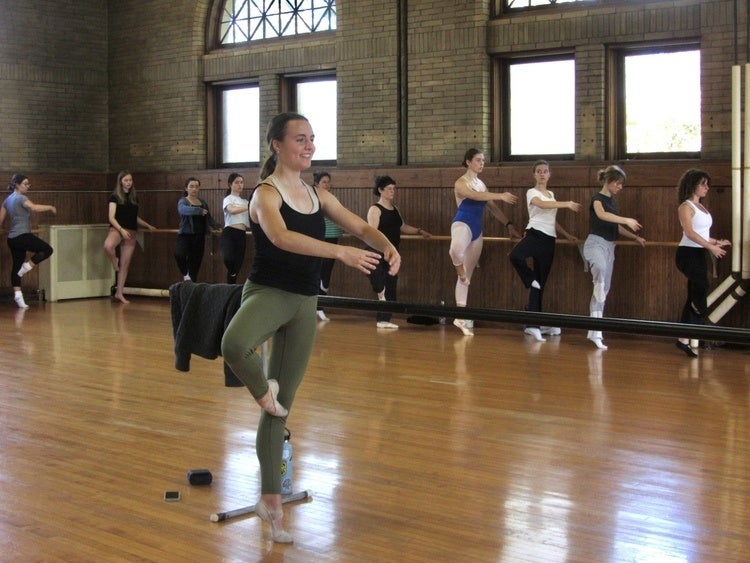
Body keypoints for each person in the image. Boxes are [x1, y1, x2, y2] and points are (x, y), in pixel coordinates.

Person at [221, 112, 400, 543]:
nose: (309, 146)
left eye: (312, 139)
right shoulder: (264, 194)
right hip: (268, 294)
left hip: (303, 304)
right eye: (300, 139)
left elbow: (357, 224)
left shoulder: (317, 193)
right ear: (276, 145)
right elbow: (281, 237)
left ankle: (272, 503)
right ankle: (265, 395)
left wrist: (387, 245)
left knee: (282, 412)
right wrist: (338, 255)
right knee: (236, 345)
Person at [449, 148, 519, 336]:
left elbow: (493, 208)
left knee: (467, 278)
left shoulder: (481, 184)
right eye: (478, 160)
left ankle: (460, 317)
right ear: (468, 162)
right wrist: (500, 195)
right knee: (455, 251)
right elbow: (474, 196)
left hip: (477, 231)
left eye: (483, 160)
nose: (482, 163)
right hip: (462, 224)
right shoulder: (461, 182)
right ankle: (460, 272)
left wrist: (509, 224)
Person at [509, 159, 580, 342]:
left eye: (545, 171)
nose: (542, 174)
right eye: (539, 171)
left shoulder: (552, 194)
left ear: (549, 175)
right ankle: (529, 278)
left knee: (540, 284)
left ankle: (534, 325)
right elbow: (541, 205)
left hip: (549, 240)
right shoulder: (531, 192)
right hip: (534, 234)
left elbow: (552, 218)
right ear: (534, 175)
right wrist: (566, 204)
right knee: (516, 256)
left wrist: (566, 234)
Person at [582, 165, 645, 350]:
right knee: (600, 273)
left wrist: (635, 237)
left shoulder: (613, 203)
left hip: (610, 247)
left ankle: (596, 332)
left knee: (602, 292)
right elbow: (602, 215)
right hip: (595, 244)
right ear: (608, 181)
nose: (620, 187)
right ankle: (598, 283)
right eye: (618, 183)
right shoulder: (597, 199)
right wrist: (626, 219)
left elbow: (615, 226)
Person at [674, 169, 731, 358]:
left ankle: (683, 340)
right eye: (703, 184)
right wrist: (710, 247)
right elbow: (689, 233)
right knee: (701, 290)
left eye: (708, 184)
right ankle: (695, 330)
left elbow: (703, 233)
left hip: (699, 253)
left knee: (694, 295)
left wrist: (715, 242)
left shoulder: (702, 207)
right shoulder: (686, 206)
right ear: (692, 185)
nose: (707, 187)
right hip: (687, 254)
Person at [366, 175, 431, 330]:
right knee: (379, 283)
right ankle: (380, 295)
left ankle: (384, 320)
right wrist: (385, 246)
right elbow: (372, 232)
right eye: (389, 189)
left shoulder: (395, 209)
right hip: (378, 251)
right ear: (380, 190)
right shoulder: (375, 209)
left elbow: (403, 226)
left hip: (393, 255)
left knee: (391, 286)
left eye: (394, 189)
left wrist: (420, 231)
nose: (392, 191)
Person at [0, 174, 56, 308]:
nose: (28, 186)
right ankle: (27, 266)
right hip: (22, 236)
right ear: (18, 185)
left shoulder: (7, 200)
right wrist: (50, 207)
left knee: (16, 267)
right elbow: (34, 207)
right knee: (47, 250)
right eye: (26, 184)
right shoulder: (21, 198)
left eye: (28, 184)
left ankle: (19, 298)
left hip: (12, 239)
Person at [103, 171, 157, 304]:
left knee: (125, 265)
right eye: (126, 180)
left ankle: (119, 292)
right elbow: (111, 217)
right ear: (120, 181)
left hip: (131, 230)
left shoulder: (134, 198)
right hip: (117, 228)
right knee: (108, 246)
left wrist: (147, 225)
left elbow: (134, 217)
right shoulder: (114, 197)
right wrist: (121, 230)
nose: (128, 182)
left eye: (130, 180)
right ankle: (114, 260)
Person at [174, 177, 221, 282]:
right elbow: (182, 210)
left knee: (195, 264)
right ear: (186, 188)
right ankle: (185, 273)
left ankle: (191, 286)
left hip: (199, 236)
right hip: (185, 235)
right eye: (191, 186)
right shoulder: (183, 201)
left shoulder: (203, 203)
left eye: (196, 187)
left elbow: (209, 218)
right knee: (179, 254)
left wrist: (217, 226)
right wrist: (198, 211)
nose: (194, 189)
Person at [313, 170, 343, 321]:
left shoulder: (333, 198)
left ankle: (319, 304)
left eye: (328, 182)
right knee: (320, 272)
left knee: (326, 273)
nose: (327, 184)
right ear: (317, 184)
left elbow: (339, 216)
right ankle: (317, 306)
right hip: (320, 239)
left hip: (333, 238)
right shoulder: (314, 198)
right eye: (324, 181)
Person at [220, 172, 250, 284]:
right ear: (230, 184)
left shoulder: (245, 201)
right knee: (229, 258)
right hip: (230, 232)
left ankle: (231, 288)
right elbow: (232, 210)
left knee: (238, 264)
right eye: (237, 182)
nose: (240, 185)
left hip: (241, 234)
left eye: (241, 182)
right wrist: (248, 206)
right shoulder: (228, 199)